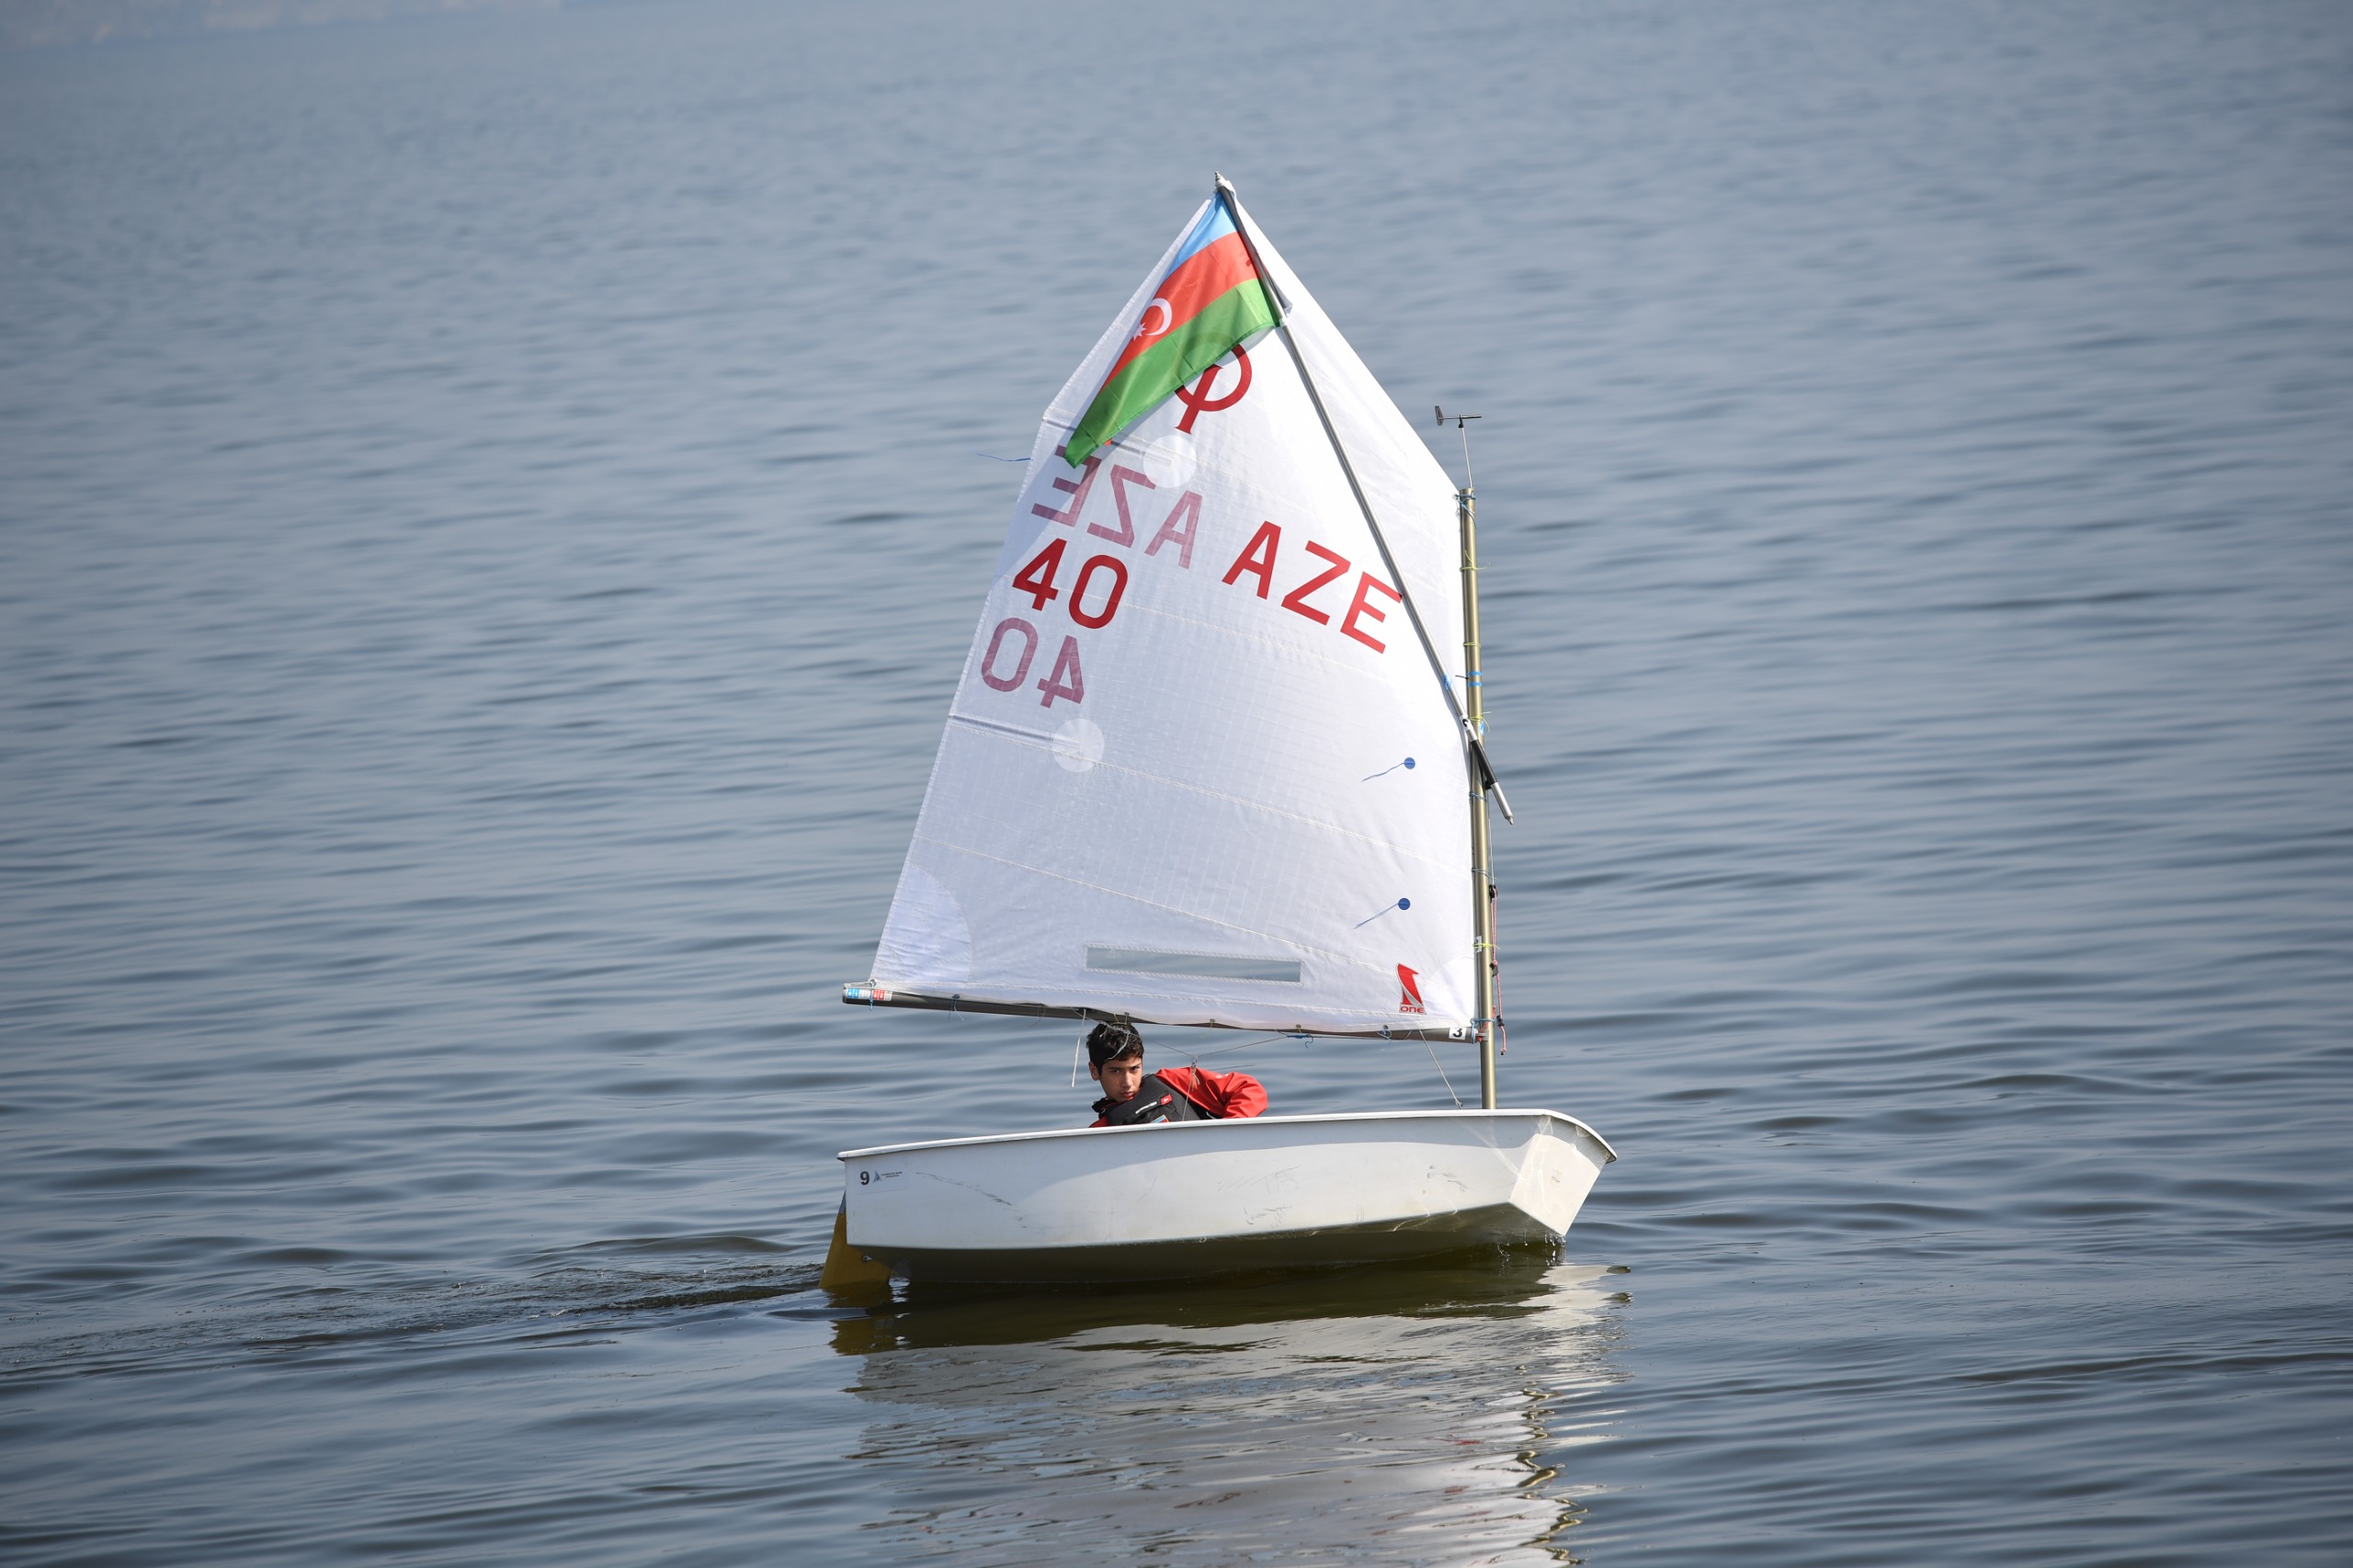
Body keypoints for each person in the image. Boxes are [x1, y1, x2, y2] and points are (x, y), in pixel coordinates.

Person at [1085, 1020, 1267, 1127]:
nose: (1128, 1082)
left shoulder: (1173, 1082)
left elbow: (1248, 1089)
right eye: (1115, 1071)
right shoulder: (1099, 1133)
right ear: (1094, 1071)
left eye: (1134, 1069)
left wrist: (1227, 1132)